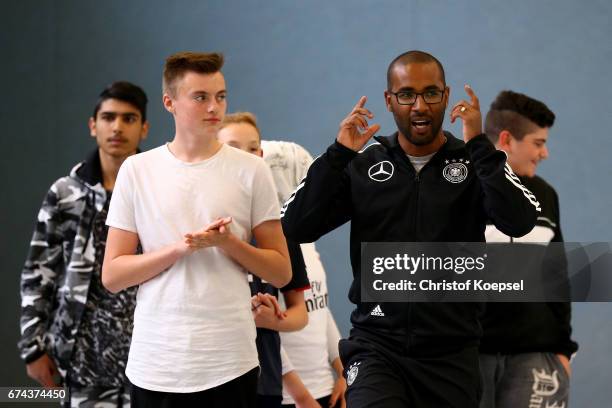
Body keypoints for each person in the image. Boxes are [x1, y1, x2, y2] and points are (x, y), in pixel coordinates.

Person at [281, 50, 541, 407]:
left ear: (446, 97)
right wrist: (338, 155)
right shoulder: (363, 168)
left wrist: (479, 146)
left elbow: (522, 220)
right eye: (406, 95)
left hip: (452, 354)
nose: (419, 105)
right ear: (389, 101)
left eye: (430, 93)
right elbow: (295, 226)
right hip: (377, 347)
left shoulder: (472, 162)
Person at [102, 52, 291, 408]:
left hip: (230, 362)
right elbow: (112, 276)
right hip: (155, 363)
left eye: (220, 96)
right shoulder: (137, 170)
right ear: (169, 102)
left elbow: (281, 272)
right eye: (200, 97)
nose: (213, 107)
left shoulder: (252, 170)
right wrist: (179, 249)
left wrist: (228, 243)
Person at [18, 81, 149, 407]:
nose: (117, 127)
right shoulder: (65, 194)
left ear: (144, 128)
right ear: (93, 125)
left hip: (149, 352)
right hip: (80, 355)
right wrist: (33, 347)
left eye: (129, 118)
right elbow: (38, 271)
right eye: (108, 117)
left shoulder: (158, 190)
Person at [480, 90, 578, 408]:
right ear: (507, 139)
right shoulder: (458, 192)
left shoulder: (546, 195)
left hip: (536, 359)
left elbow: (557, 276)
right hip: (468, 358)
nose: (545, 153)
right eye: (538, 143)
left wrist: (562, 351)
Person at [218, 112, 310, 408]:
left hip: (264, 381)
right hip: (208, 375)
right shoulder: (197, 222)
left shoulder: (279, 230)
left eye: (252, 148)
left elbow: (299, 313)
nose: (245, 157)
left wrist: (273, 321)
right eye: (233, 147)